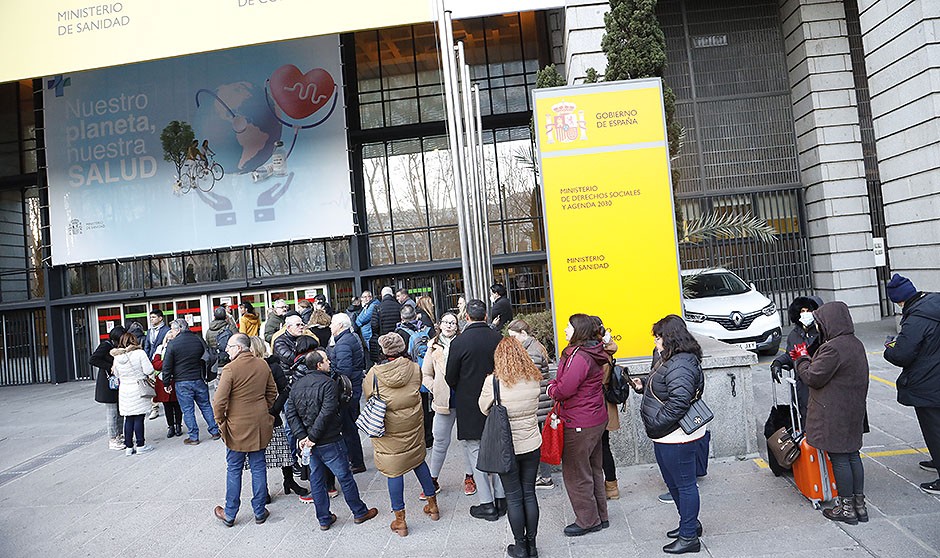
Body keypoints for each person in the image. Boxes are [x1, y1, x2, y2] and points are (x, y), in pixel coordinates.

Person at [793, 301, 869, 524]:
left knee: (840, 458)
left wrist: (802, 359)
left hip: (834, 411)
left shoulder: (833, 348)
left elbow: (812, 377)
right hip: (853, 409)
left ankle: (846, 509)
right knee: (853, 455)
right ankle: (859, 506)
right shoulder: (855, 343)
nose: (818, 326)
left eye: (820, 322)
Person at [286, 349, 379, 530]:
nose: (329, 362)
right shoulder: (328, 384)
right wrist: (310, 437)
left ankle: (324, 519)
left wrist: (303, 437)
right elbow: (327, 411)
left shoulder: (297, 385)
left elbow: (291, 414)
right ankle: (359, 512)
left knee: (317, 480)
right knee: (344, 476)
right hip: (329, 440)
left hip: (311, 443)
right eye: (326, 360)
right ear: (319, 365)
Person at [637, 315, 707, 554]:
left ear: (670, 338)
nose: (655, 342)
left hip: (676, 435)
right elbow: (664, 385)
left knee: (685, 485)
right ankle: (689, 524)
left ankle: (689, 538)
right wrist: (643, 383)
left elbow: (679, 402)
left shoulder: (682, 363)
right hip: (666, 434)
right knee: (673, 482)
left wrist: (656, 423)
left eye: (658, 337)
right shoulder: (668, 358)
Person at [365, 333, 442, 537]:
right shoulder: (414, 368)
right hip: (412, 423)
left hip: (388, 429)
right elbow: (417, 387)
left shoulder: (374, 373)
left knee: (394, 471)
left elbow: (368, 394)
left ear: (384, 350)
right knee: (418, 461)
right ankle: (433, 506)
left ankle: (400, 521)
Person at [479, 337, 543, 558]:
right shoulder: (533, 378)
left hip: (507, 447)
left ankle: (520, 547)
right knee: (529, 493)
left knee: (514, 497)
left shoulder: (493, 382)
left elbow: (483, 408)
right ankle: (532, 546)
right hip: (532, 443)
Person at [547, 313, 610, 537]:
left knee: (576, 473)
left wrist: (551, 389)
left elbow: (565, 389)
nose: (565, 329)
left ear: (579, 331)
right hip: (595, 418)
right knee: (593, 468)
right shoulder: (593, 351)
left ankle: (587, 520)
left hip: (579, 421)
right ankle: (600, 516)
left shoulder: (579, 356)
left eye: (568, 326)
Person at [445, 298, 506, 521]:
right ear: (486, 316)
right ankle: (501, 498)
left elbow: (450, 376)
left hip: (469, 403)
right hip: (497, 401)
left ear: (466, 317)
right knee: (498, 449)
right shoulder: (498, 338)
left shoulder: (459, 343)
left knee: (475, 451)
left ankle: (487, 503)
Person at [211, 333, 278, 527]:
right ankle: (259, 510)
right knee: (258, 467)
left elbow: (219, 401)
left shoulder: (230, 369)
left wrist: (220, 422)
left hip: (236, 426)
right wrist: (263, 409)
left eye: (230, 346)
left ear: (239, 348)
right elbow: (272, 392)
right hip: (259, 423)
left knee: (234, 468)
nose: (227, 350)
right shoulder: (262, 364)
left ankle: (230, 513)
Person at [883, 274, 940, 494]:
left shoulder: (916, 318)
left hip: (929, 382)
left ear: (899, 300)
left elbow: (902, 355)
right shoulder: (934, 303)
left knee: (934, 429)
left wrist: (889, 349)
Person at [422, 312, 477, 499]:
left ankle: (469, 477)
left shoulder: (464, 343)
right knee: (439, 441)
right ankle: (433, 479)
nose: (448, 325)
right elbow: (426, 373)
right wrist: (434, 388)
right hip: (443, 400)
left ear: (457, 326)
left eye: (452, 323)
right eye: (445, 322)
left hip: (464, 399)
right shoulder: (432, 346)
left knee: (467, 440)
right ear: (439, 324)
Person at [245, 336, 308, 498]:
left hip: (271, 416)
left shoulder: (273, 366)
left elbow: (285, 390)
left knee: (283, 451)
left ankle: (289, 481)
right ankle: (263, 489)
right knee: (259, 455)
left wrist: (273, 410)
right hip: (254, 417)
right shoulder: (245, 367)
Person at [507, 318, 555, 490]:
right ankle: (544, 476)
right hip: (540, 401)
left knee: (538, 441)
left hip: (538, 402)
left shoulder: (532, 351)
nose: (512, 340)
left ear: (523, 333)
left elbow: (527, 376)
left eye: (514, 336)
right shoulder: (533, 346)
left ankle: (545, 477)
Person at [162, 319, 221, 445]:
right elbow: (208, 356)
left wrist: (166, 383)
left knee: (188, 410)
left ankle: (194, 437)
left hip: (182, 381)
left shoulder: (173, 344)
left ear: (178, 329)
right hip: (199, 378)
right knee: (205, 406)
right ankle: (215, 431)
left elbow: (167, 365)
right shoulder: (198, 339)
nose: (171, 332)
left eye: (172, 330)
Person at [770, 295, 823, 420]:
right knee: (804, 418)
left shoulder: (822, 333)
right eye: (802, 311)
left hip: (818, 383)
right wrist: (778, 363)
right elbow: (792, 355)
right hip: (802, 386)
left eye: (808, 311)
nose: (805, 314)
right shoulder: (794, 335)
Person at [328, 312, 367, 473]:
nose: (330, 326)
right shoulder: (349, 338)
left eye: (332, 323)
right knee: (350, 424)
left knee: (348, 427)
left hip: (348, 390)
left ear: (340, 325)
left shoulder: (343, 343)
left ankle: (356, 461)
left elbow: (344, 370)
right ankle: (354, 459)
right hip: (354, 386)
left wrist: (331, 371)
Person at [111, 332, 157, 456]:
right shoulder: (139, 353)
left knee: (128, 418)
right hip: (138, 389)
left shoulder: (117, 357)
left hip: (124, 390)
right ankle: (141, 445)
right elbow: (149, 370)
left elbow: (116, 374)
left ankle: (129, 447)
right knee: (138, 418)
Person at [396, 304, 435, 448]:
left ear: (402, 317)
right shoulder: (428, 330)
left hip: (413, 373)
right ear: (415, 315)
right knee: (430, 405)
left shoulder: (400, 332)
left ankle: (421, 437)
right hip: (429, 372)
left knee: (418, 407)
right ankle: (430, 436)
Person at [91, 325, 126, 450]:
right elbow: (93, 359)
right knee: (112, 413)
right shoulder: (105, 346)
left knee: (120, 411)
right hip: (107, 384)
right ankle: (113, 438)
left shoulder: (118, 347)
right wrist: (109, 366)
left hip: (117, 383)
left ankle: (120, 435)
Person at [152, 327, 183, 438]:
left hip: (175, 379)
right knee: (167, 405)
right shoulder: (160, 348)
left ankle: (178, 425)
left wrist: (164, 364)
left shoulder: (178, 347)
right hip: (162, 380)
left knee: (177, 404)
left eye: (172, 339)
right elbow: (155, 364)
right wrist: (167, 363)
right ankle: (170, 426)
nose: (169, 341)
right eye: (168, 339)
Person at [143, 309, 170, 421]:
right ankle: (154, 408)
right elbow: (147, 346)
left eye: (153, 317)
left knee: (163, 384)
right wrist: (146, 359)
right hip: (151, 361)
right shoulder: (150, 331)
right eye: (150, 317)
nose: (151, 319)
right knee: (153, 385)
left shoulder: (167, 330)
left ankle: (168, 405)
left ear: (160, 318)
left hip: (162, 361)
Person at [370, 286, 401, 365]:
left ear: (382, 295)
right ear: (392, 294)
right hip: (397, 339)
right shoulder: (399, 306)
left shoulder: (378, 307)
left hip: (384, 340)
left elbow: (374, 325)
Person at [356, 290, 378, 366]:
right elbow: (358, 320)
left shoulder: (373, 305)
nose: (365, 299)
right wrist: (359, 322)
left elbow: (362, 319)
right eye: (363, 297)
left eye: (367, 297)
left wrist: (360, 322)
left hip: (370, 334)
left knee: (374, 356)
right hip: (367, 335)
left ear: (371, 297)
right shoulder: (366, 306)